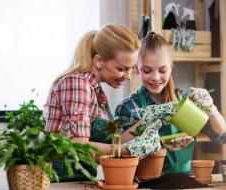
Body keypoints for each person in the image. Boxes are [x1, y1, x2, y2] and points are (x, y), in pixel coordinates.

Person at [45, 24, 163, 182]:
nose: (128, 76)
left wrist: (148, 119)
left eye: (131, 69)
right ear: (99, 61)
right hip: (60, 182)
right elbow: (78, 148)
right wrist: (129, 150)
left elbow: (115, 142)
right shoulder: (76, 83)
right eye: (121, 68)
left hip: (80, 181)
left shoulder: (95, 91)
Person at [114, 31, 226, 174]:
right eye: (147, 71)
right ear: (137, 69)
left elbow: (221, 138)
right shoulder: (128, 107)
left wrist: (211, 109)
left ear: (170, 67)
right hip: (145, 183)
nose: (155, 77)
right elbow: (117, 149)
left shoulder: (186, 100)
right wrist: (147, 118)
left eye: (162, 70)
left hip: (185, 182)